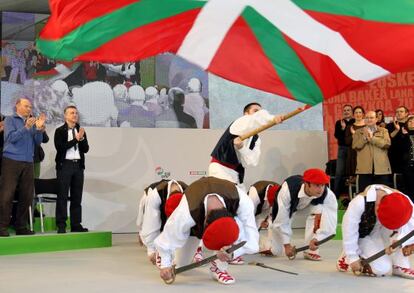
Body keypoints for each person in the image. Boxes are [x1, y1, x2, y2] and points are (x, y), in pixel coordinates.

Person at [154, 176, 259, 285]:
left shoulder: (242, 202)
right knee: (181, 264)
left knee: (238, 226)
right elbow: (167, 237)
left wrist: (232, 253)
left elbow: (253, 243)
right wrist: (165, 265)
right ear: (204, 223)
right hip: (192, 227)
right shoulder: (186, 212)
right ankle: (163, 254)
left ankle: (218, 268)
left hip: (230, 219)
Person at [337, 185, 414, 279]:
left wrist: (401, 242)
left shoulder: (403, 200)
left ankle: (400, 265)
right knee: (382, 269)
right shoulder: (359, 203)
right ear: (377, 209)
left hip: (380, 231)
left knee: (401, 230)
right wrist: (352, 257)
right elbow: (349, 230)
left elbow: (411, 224)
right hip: (363, 235)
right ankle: (347, 255)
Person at [0, 98, 46, 237]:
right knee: (7, 195)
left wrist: (38, 129)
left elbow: (37, 143)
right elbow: (10, 138)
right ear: (17, 106)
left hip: (28, 162)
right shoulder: (10, 119)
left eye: (30, 107)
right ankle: (2, 226)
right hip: (11, 160)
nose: (29, 109)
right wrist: (26, 127)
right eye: (26, 106)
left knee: (27, 196)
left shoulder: (31, 121)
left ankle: (21, 226)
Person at [270, 169, 337, 260]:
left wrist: (317, 239)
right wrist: (287, 245)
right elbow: (281, 219)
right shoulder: (287, 190)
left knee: (318, 213)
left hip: (308, 206)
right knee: (276, 251)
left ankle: (310, 251)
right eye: (317, 185)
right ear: (306, 184)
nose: (321, 189)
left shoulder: (327, 194)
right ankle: (266, 245)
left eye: (323, 185)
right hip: (288, 208)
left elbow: (330, 218)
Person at [209, 102, 282, 185]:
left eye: (260, 111)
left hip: (236, 173)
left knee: (243, 198)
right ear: (246, 114)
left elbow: (253, 161)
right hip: (220, 169)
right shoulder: (239, 123)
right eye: (255, 111)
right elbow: (255, 119)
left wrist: (242, 148)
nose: (258, 113)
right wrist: (272, 118)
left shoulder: (256, 139)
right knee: (229, 196)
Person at [54, 105, 89, 233]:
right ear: (65, 116)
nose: (75, 115)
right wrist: (76, 140)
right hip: (65, 166)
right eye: (71, 113)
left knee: (77, 196)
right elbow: (61, 147)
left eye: (76, 113)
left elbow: (85, 149)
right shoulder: (60, 131)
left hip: (78, 166)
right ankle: (61, 225)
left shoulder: (80, 130)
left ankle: (76, 224)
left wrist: (82, 139)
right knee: (62, 195)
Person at [138, 180, 187, 263]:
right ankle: (140, 234)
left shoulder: (189, 195)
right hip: (150, 194)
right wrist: (151, 250)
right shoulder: (154, 196)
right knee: (143, 222)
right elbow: (150, 224)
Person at [352, 111, 392, 192]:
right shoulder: (358, 132)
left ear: (376, 119)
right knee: (365, 196)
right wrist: (364, 138)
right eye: (367, 118)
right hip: (364, 170)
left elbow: (387, 144)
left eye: (371, 117)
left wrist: (372, 139)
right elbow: (355, 146)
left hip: (381, 169)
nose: (369, 119)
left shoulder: (384, 131)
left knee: (383, 196)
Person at [248, 180, 280, 253]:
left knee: (274, 224)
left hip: (267, 204)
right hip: (255, 206)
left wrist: (268, 222)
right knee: (253, 226)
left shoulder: (280, 193)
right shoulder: (254, 194)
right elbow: (248, 217)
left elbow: (275, 217)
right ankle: (249, 243)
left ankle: (270, 247)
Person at [333, 104, 354, 198]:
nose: (346, 112)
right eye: (344, 110)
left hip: (353, 149)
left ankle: (353, 194)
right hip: (342, 149)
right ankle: (335, 195)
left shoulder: (355, 121)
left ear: (352, 112)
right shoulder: (339, 122)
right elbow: (337, 136)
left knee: (353, 172)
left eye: (348, 110)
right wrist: (343, 128)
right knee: (339, 172)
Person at [344, 106, 365, 182]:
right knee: (355, 179)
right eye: (356, 112)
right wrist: (353, 134)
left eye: (360, 112)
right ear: (353, 114)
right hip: (353, 154)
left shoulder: (367, 126)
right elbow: (347, 141)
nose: (358, 114)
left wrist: (356, 135)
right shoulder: (350, 127)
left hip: (365, 154)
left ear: (363, 114)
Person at [401, 116, 414, 202]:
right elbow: (402, 149)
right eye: (410, 121)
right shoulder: (403, 135)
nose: (412, 122)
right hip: (408, 166)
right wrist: (405, 136)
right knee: (410, 189)